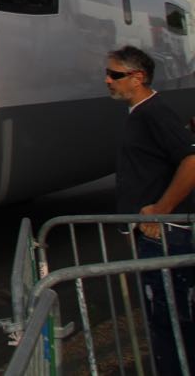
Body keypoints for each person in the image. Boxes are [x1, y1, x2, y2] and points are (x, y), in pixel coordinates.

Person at [110, 44, 195, 375]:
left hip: (164, 236)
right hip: (152, 234)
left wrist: (162, 208)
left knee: (170, 321)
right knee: (163, 320)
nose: (107, 80)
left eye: (115, 74)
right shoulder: (138, 113)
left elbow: (191, 161)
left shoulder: (154, 112)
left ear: (138, 77)